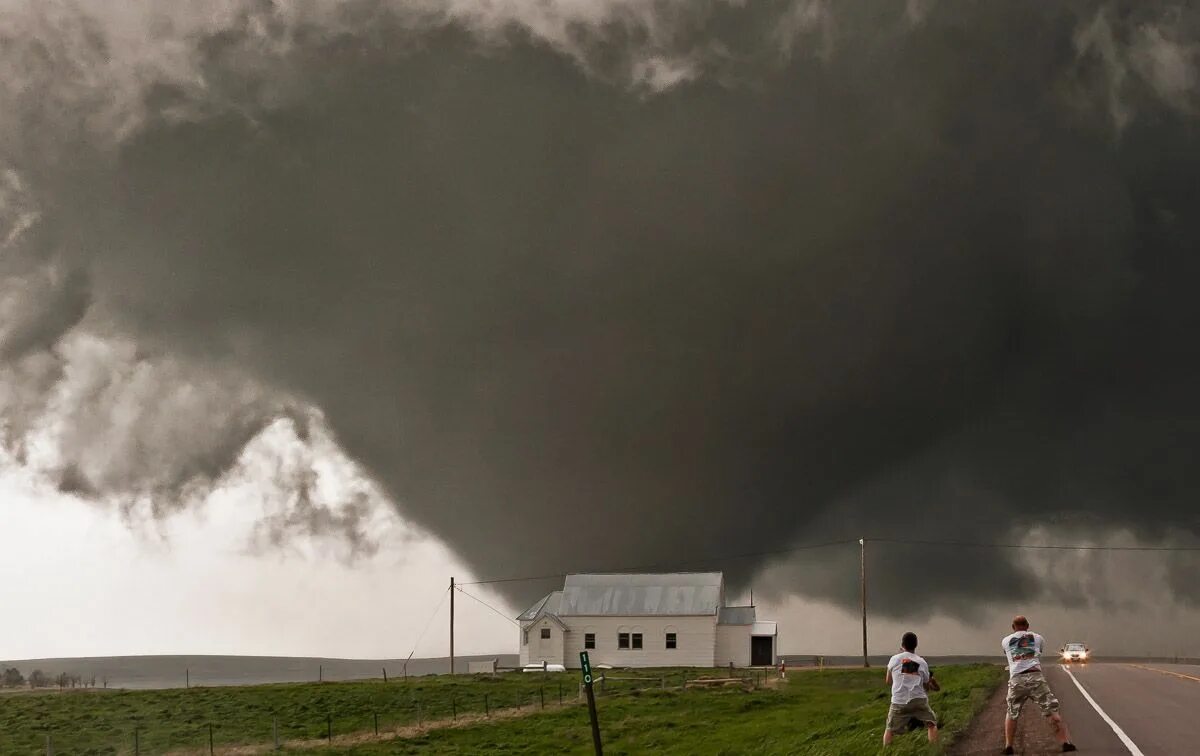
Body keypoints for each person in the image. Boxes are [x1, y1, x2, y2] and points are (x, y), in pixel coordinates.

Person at [1001, 615, 1076, 754]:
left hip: (1017, 678)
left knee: (1012, 711)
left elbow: (1007, 654)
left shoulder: (1005, 641)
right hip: (1035, 676)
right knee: (1051, 709)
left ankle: (1008, 746)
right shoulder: (1038, 638)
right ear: (1028, 625)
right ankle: (1066, 742)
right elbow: (1038, 653)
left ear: (1013, 627)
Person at [883, 631, 939, 746]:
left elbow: (888, 681)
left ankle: (886, 752)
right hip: (918, 700)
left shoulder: (894, 659)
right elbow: (925, 683)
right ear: (916, 645)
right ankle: (934, 750)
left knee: (889, 729)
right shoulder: (921, 661)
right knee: (931, 724)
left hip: (899, 701)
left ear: (902, 644)